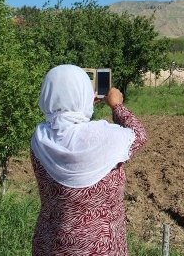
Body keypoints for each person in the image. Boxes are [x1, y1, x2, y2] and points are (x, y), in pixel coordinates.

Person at [30, 64, 146, 256]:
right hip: (101, 248)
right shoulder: (106, 138)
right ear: (85, 94)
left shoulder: (39, 139)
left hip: (50, 245)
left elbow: (65, 128)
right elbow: (138, 135)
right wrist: (116, 106)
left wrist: (81, 105)